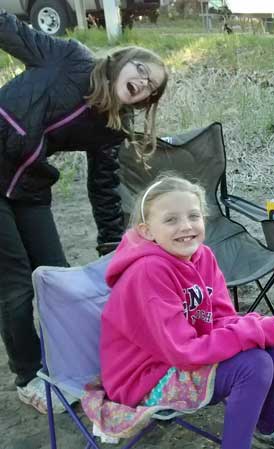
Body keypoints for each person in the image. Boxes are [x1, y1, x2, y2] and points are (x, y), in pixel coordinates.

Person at [0, 11, 168, 413]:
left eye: (151, 86)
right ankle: (29, 376)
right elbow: (11, 31)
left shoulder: (112, 126)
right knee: (18, 284)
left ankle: (65, 368)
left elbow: (104, 188)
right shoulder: (69, 58)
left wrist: (113, 246)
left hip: (29, 186)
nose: (143, 82)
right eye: (142, 69)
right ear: (123, 59)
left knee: (57, 278)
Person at [84, 175, 274, 449]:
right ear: (147, 231)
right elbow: (182, 352)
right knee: (254, 366)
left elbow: (220, 319)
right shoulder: (147, 273)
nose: (186, 227)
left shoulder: (202, 256)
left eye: (193, 216)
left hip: (181, 356)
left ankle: (268, 430)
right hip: (143, 378)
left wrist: (258, 324)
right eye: (171, 220)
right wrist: (252, 331)